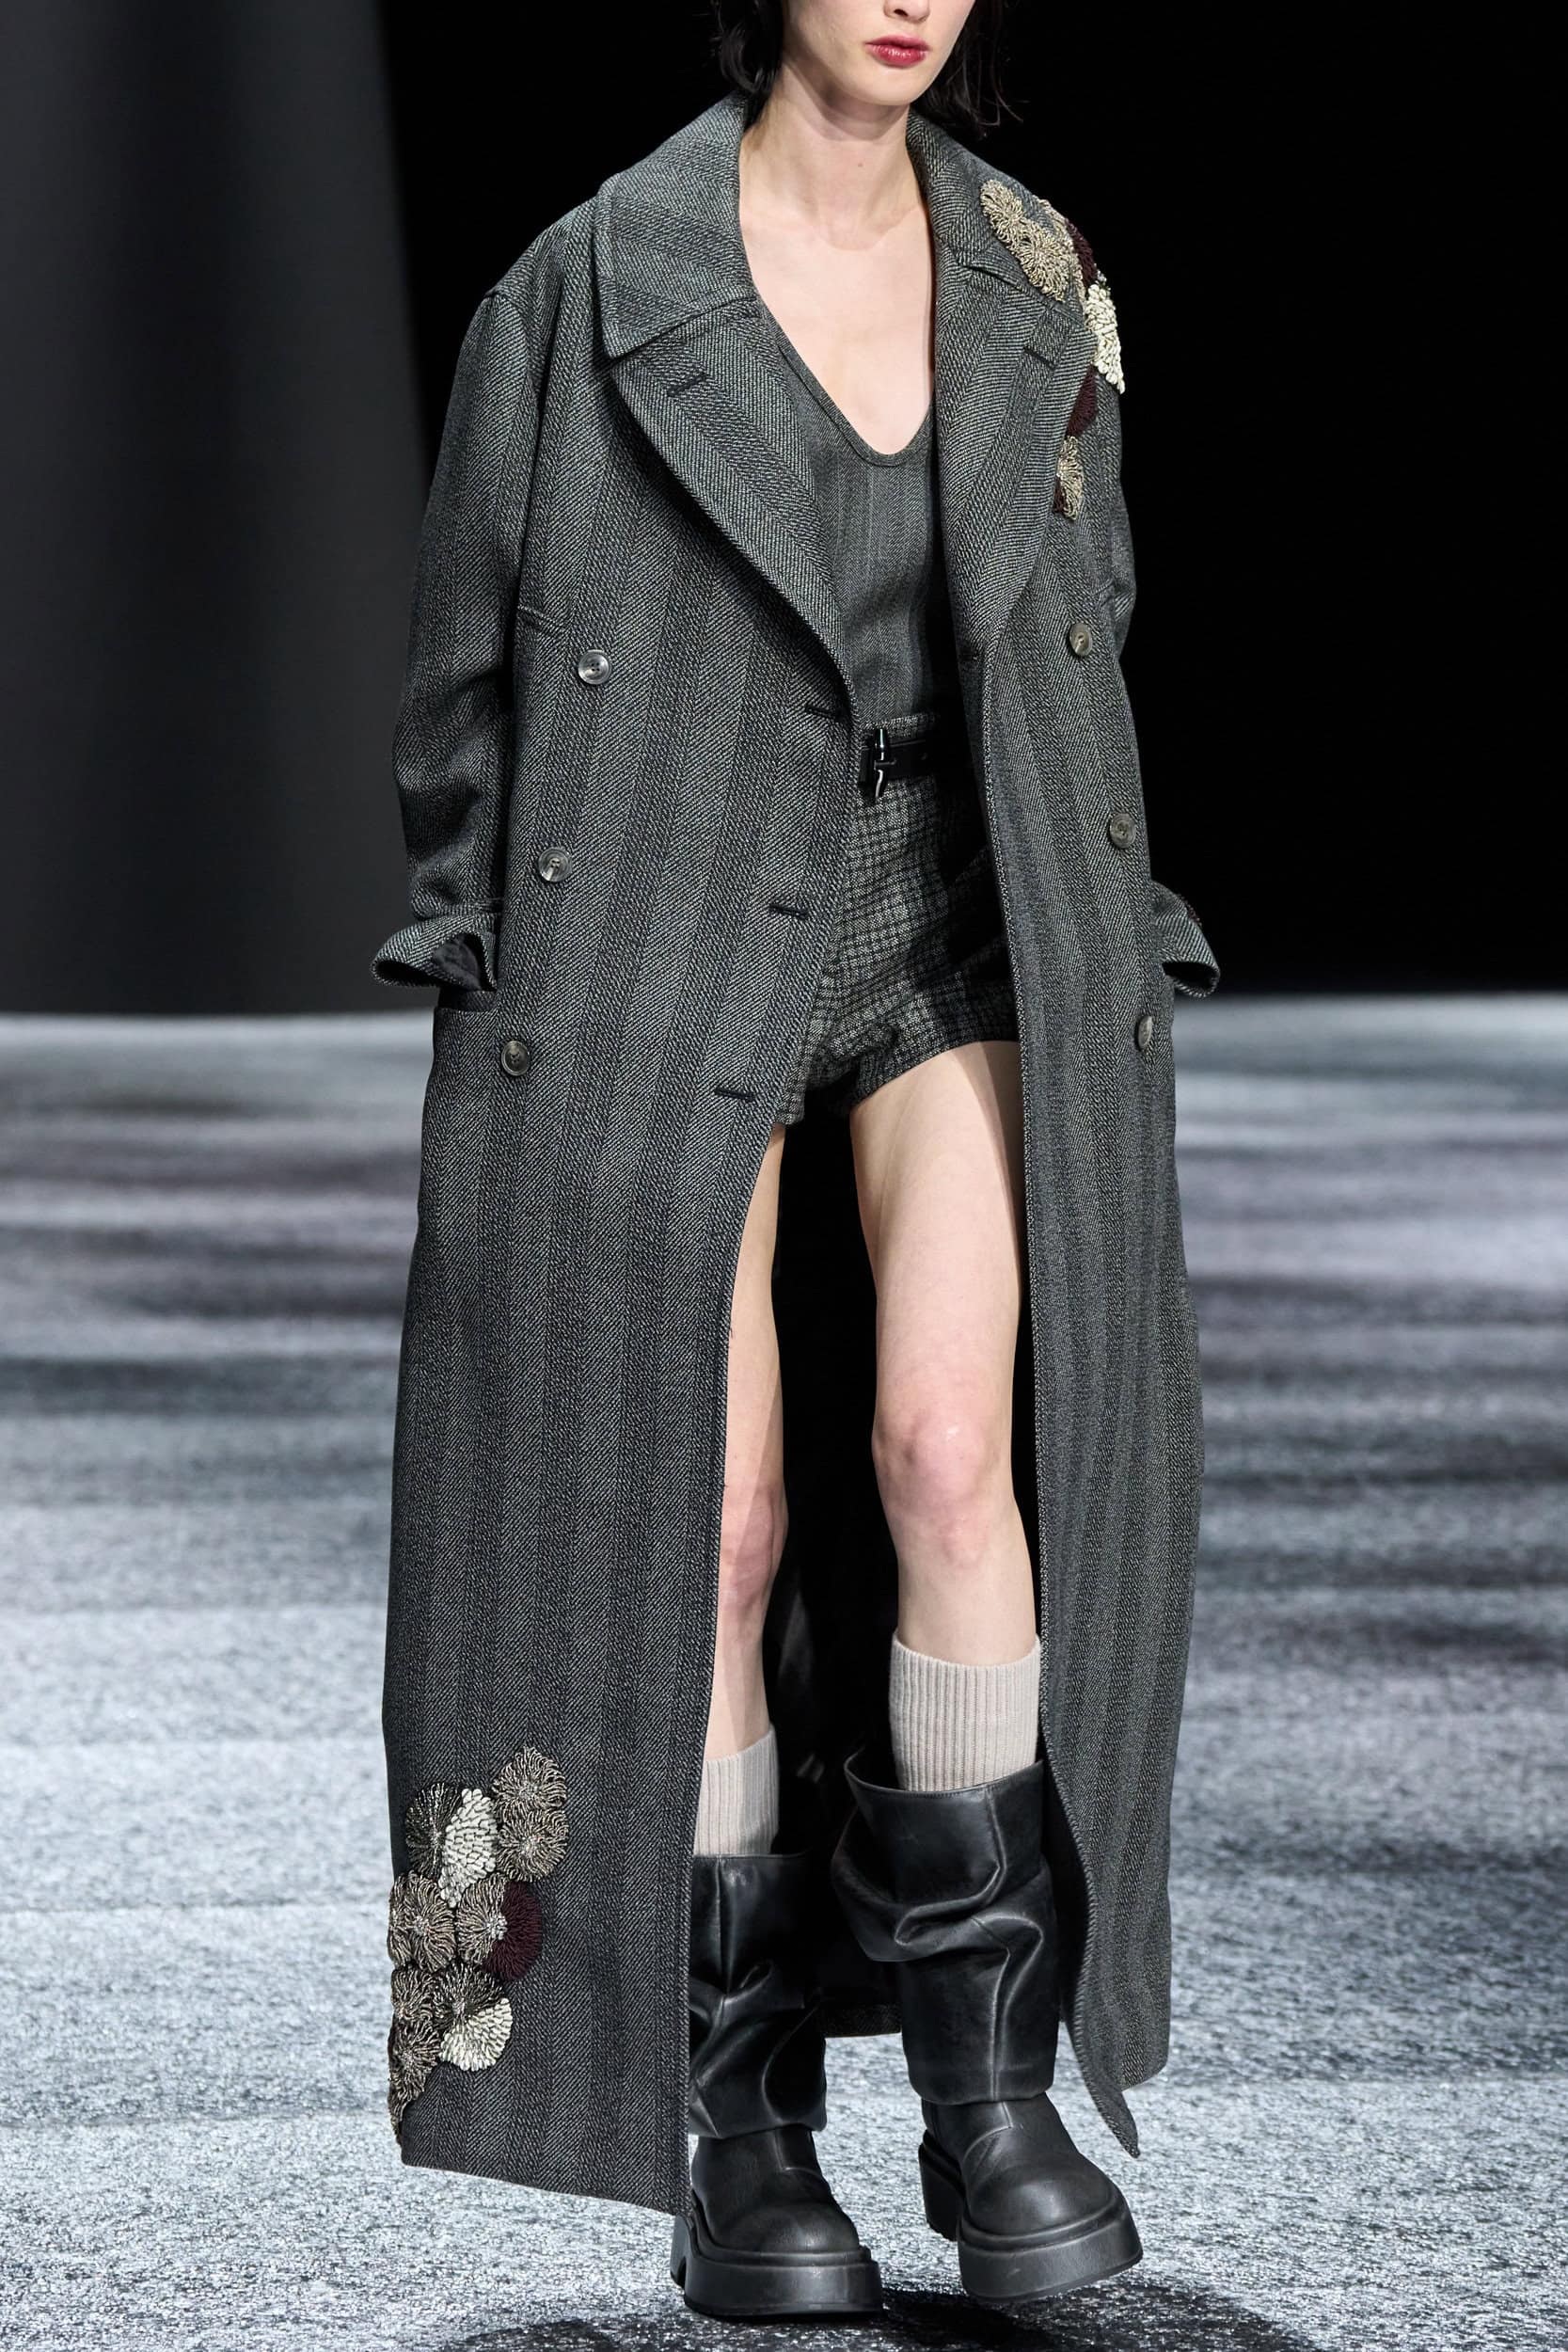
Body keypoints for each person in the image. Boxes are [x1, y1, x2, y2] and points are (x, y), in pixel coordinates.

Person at [372, 0, 1220, 2325]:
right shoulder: (592, 281)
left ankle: (991, 2089)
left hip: (958, 905)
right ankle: (739, 2126)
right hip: (667, 928)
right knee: (717, 1512)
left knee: (954, 1444)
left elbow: (1093, 607)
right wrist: (491, 948)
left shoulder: (1035, 267)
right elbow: (461, 666)